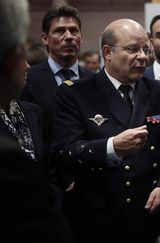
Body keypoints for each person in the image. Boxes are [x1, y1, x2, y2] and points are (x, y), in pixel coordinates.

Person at [51, 18, 160, 243]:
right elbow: (64, 151)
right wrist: (112, 146)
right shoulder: (77, 94)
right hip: (101, 217)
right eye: (132, 49)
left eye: (145, 49)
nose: (142, 57)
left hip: (151, 212)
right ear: (107, 52)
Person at [0, 0, 74, 241]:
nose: (29, 66)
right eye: (23, 54)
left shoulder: (32, 112)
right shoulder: (7, 157)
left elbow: (48, 163)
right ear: (12, 60)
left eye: (74, 30)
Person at [20, 4, 93, 129]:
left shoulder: (94, 80)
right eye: (60, 31)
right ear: (45, 38)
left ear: (81, 38)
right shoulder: (29, 79)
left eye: (74, 31)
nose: (69, 37)